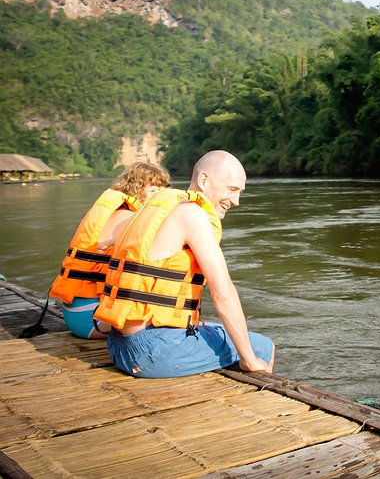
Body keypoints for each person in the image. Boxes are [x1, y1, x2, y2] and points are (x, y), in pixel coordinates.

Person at [94, 150, 275, 378]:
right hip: (152, 350)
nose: (236, 201)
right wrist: (249, 360)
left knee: (215, 332)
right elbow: (223, 294)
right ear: (203, 180)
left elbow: (102, 242)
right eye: (232, 190)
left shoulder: (153, 208)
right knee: (261, 346)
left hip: (119, 344)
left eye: (240, 192)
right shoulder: (192, 214)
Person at [48, 162, 170, 339]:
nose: (157, 198)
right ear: (136, 189)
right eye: (152, 191)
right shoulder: (127, 218)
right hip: (91, 318)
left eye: (160, 192)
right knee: (166, 323)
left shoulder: (120, 212)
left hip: (78, 312)